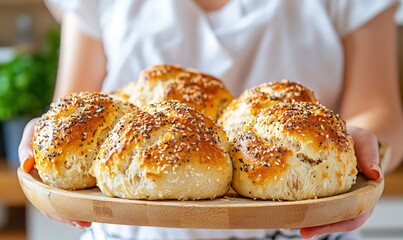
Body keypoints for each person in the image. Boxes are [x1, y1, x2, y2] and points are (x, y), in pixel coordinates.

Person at [19, 0, 403, 239]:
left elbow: (379, 108)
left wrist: (369, 150)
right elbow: (76, 110)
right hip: (126, 232)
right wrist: (45, 137)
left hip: (301, 230)